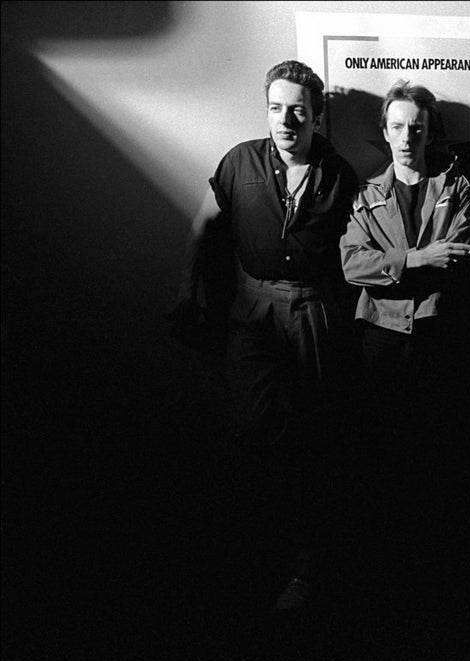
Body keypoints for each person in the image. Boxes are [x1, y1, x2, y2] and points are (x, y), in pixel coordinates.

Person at [167, 60, 360, 611]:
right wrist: (187, 291)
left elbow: (354, 251)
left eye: (298, 110)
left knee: (315, 439)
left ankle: (305, 572)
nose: (285, 120)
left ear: (317, 116)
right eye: (276, 108)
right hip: (252, 310)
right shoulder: (239, 162)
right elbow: (204, 226)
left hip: (314, 310)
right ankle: (257, 552)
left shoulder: (339, 174)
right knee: (253, 426)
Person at [340, 80, 470, 569]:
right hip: (381, 336)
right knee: (384, 448)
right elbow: (351, 266)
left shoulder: (456, 187)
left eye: (415, 129)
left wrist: (391, 265)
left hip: (437, 333)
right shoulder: (366, 194)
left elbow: (460, 256)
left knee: (439, 449)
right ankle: (386, 556)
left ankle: (433, 558)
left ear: (429, 134)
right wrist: (418, 258)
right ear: (385, 131)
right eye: (397, 127)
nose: (406, 138)